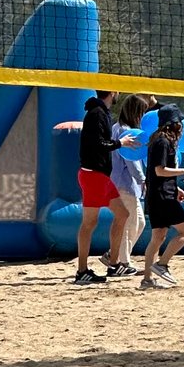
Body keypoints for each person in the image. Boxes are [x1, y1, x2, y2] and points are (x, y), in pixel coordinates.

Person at [75, 89, 134, 286]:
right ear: (113, 92)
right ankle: (82, 271)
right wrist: (121, 142)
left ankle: (114, 264)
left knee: (123, 214)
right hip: (93, 175)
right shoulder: (97, 114)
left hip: (99, 175)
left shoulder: (101, 112)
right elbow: (98, 143)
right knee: (89, 223)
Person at [142, 107, 184, 289]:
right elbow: (160, 170)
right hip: (163, 197)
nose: (181, 126)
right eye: (179, 122)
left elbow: (155, 173)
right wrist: (183, 171)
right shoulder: (163, 142)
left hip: (157, 195)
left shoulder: (157, 140)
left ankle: (147, 280)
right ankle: (162, 264)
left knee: (157, 237)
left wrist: (176, 187)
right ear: (174, 123)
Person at [107, 93, 150, 276]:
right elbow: (131, 161)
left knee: (138, 222)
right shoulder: (126, 131)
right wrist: (142, 179)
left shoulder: (118, 127)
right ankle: (122, 261)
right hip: (124, 183)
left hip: (120, 182)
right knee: (129, 222)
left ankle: (115, 254)